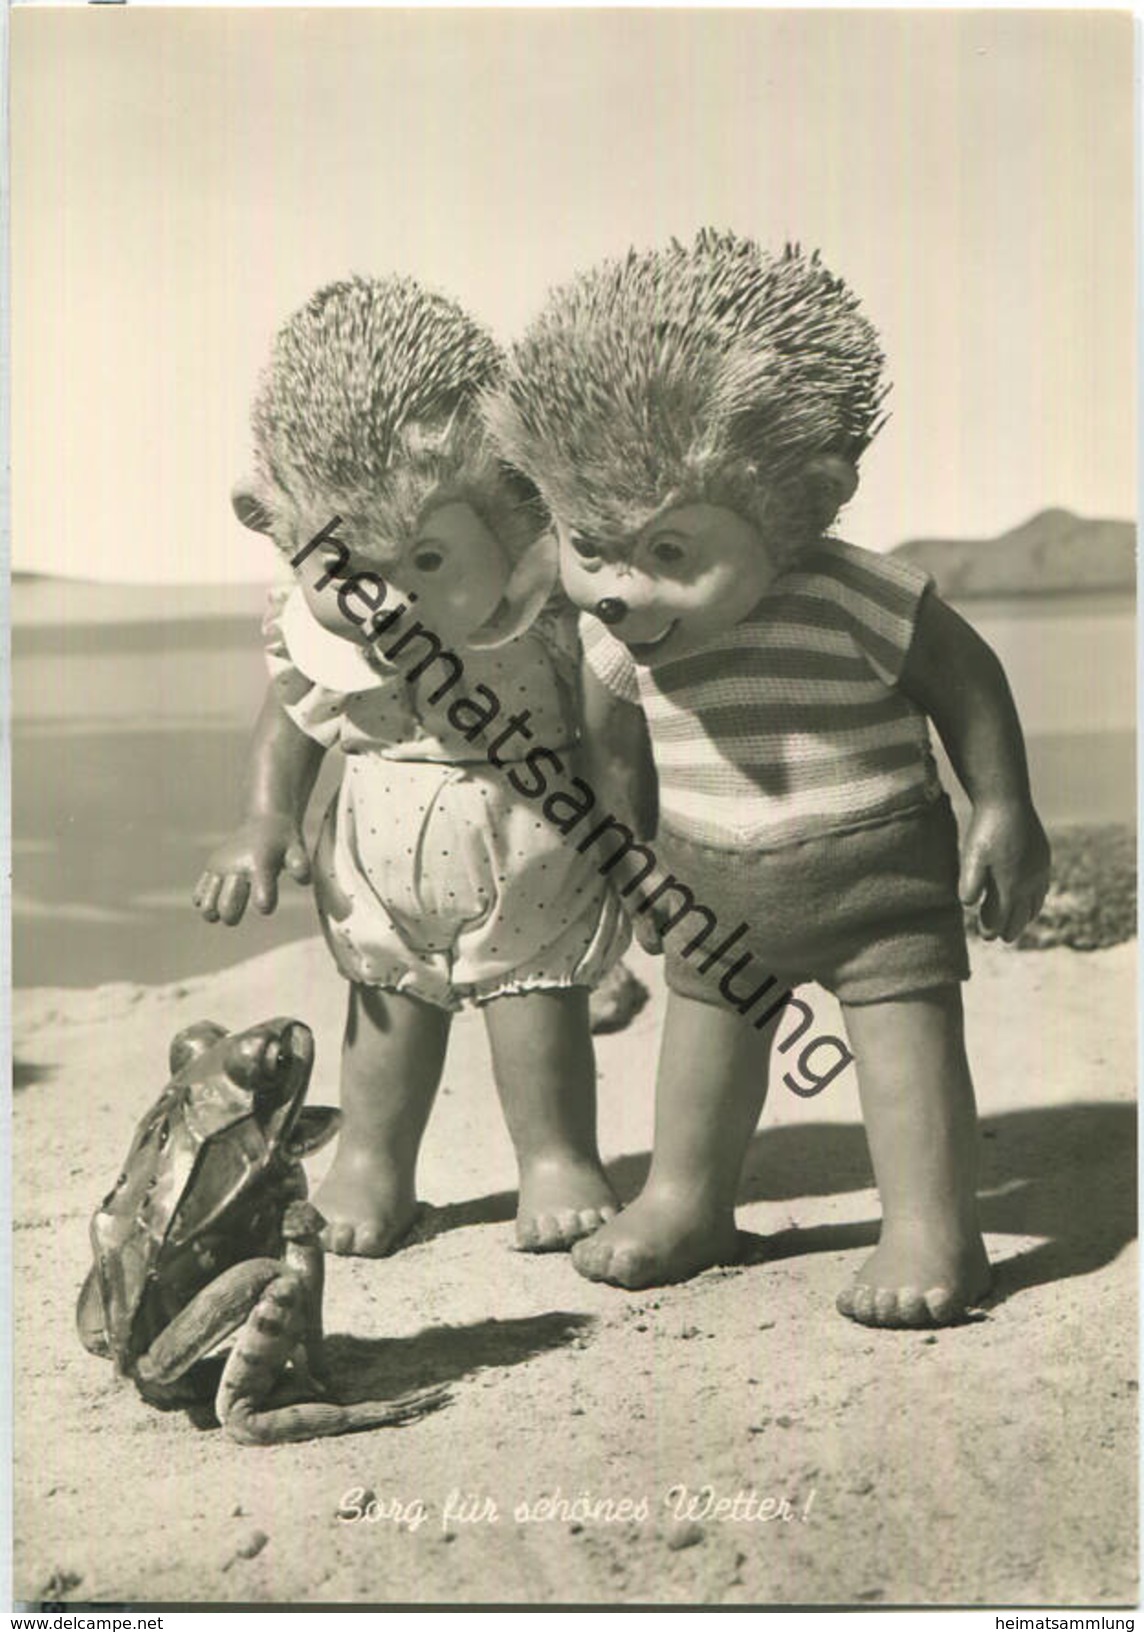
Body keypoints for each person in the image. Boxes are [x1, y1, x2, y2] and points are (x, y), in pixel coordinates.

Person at [483, 233, 1051, 1325]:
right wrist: (630, 859)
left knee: (902, 1046)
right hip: (705, 889)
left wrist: (1005, 807)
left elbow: (965, 681)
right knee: (702, 1047)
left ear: (803, 502)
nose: (616, 591)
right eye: (586, 545)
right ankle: (689, 1202)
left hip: (878, 883)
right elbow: (612, 753)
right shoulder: (619, 639)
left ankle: (934, 1227)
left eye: (668, 553)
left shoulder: (856, 595)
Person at [195, 276, 629, 1257]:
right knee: (386, 1009)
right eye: (349, 573)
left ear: (515, 511)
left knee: (534, 1007)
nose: (386, 604)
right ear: (273, 522)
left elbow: (609, 723)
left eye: (428, 562)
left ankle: (555, 1156)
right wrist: (265, 818)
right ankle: (373, 1166)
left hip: (532, 840)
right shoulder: (319, 639)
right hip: (379, 863)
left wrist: (624, 828)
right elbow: (296, 717)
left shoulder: (541, 612)